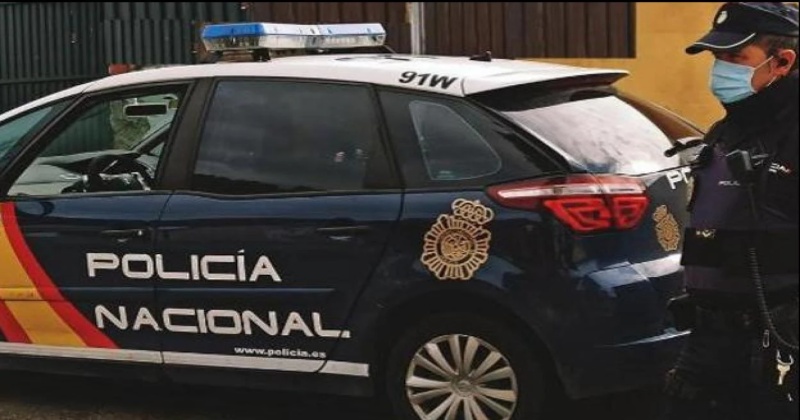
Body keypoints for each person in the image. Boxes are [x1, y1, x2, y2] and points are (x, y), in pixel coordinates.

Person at [663, 2, 799, 420]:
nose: (721, 69)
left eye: (736, 57)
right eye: (717, 57)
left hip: (779, 338)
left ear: (782, 62)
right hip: (709, 338)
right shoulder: (727, 130)